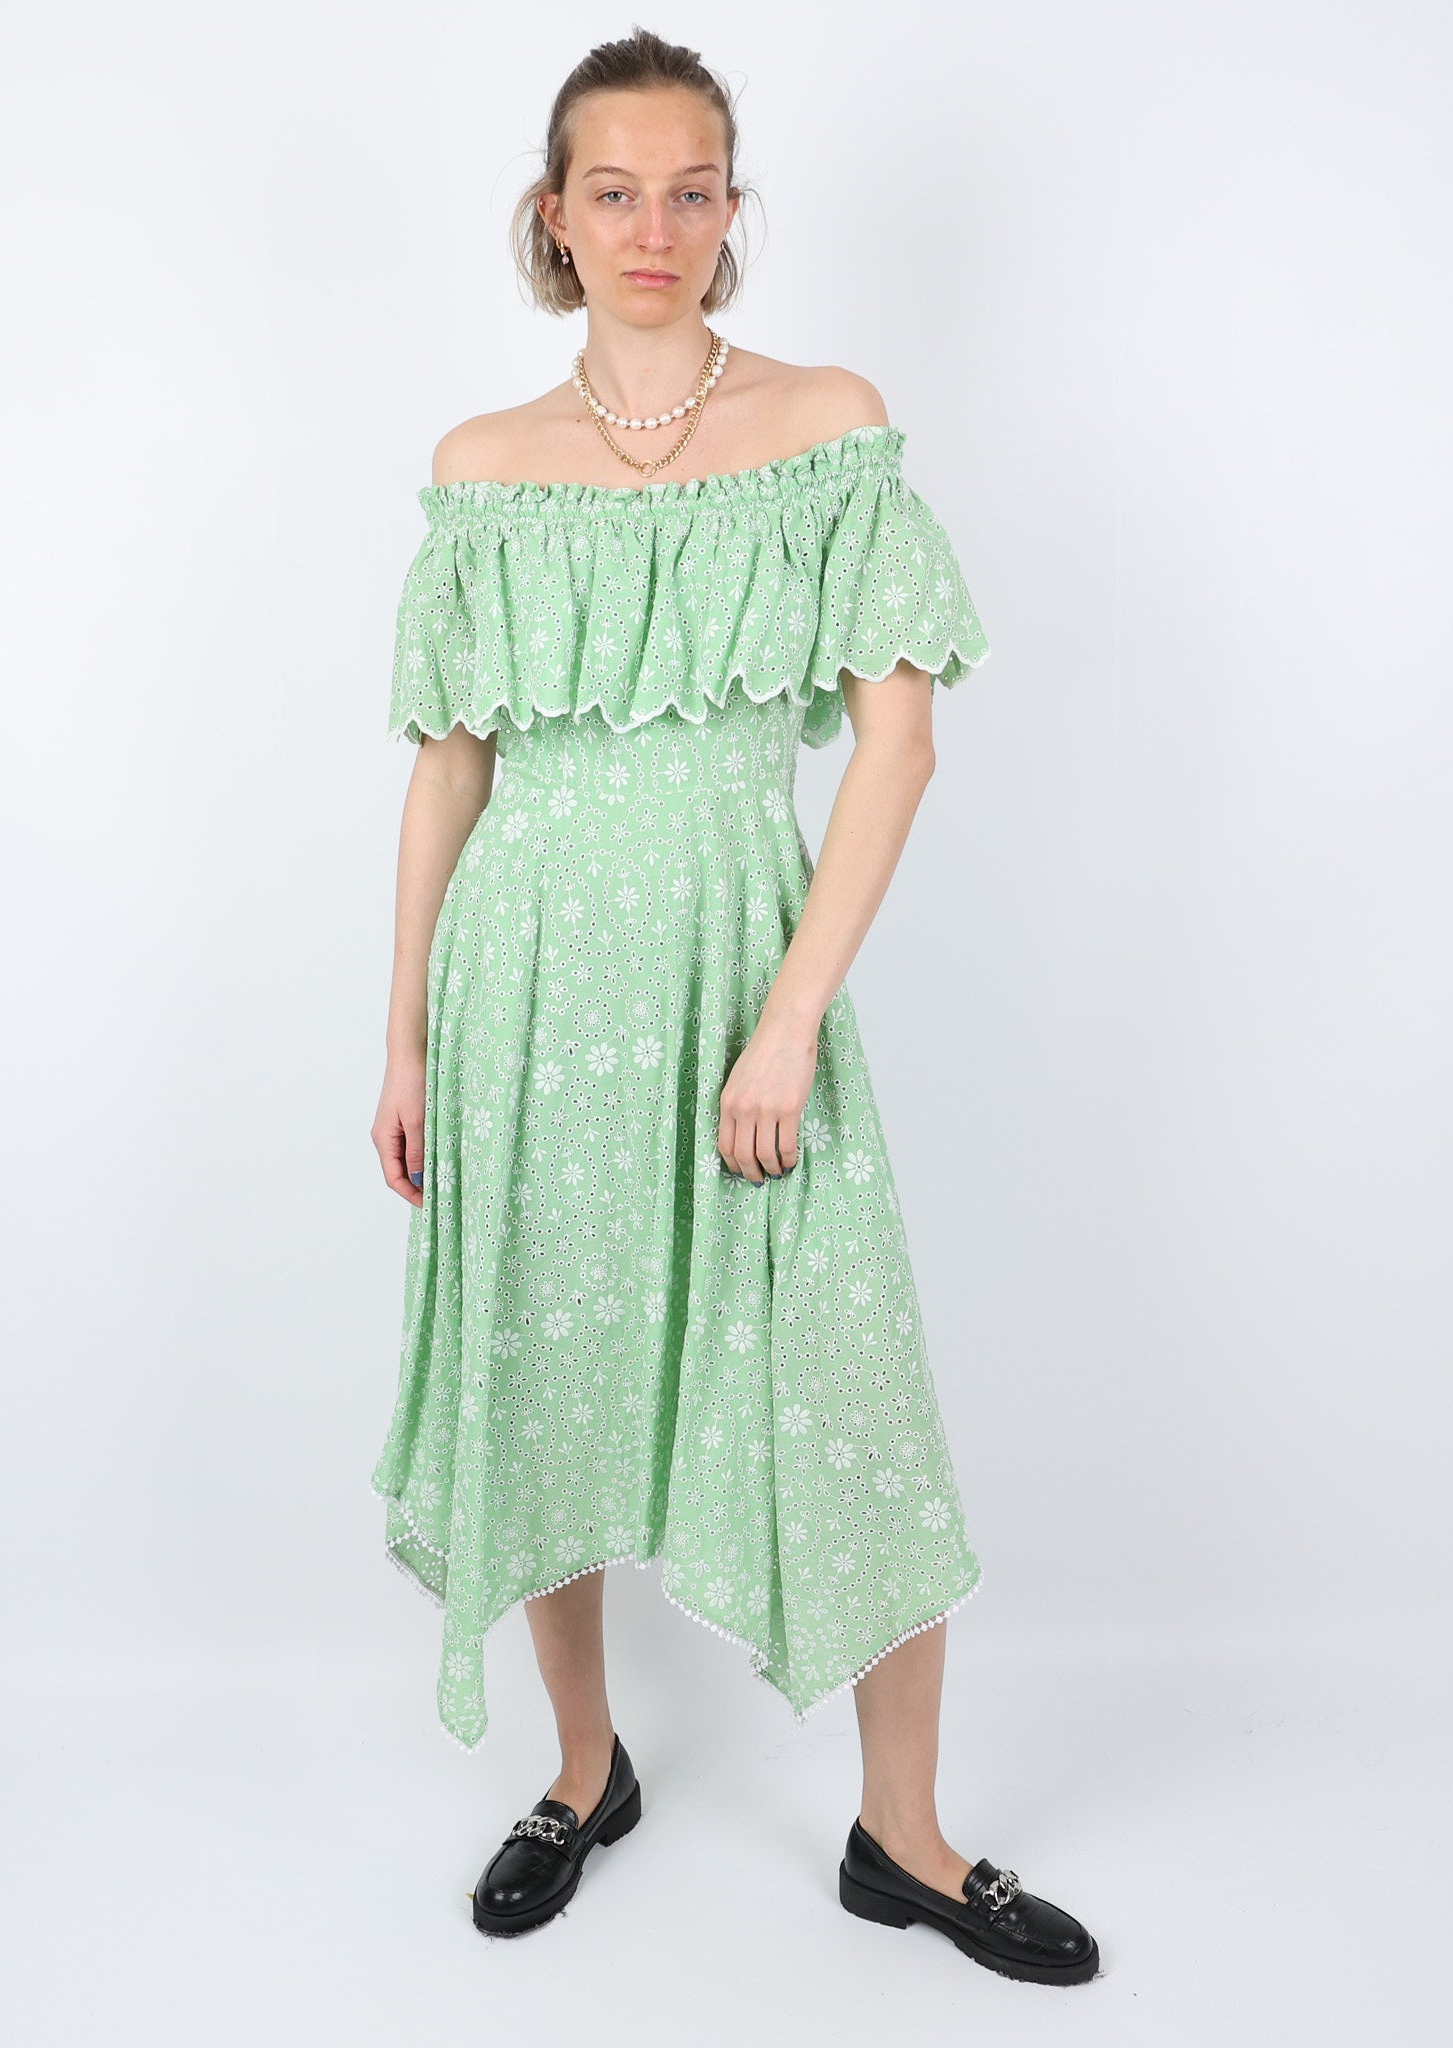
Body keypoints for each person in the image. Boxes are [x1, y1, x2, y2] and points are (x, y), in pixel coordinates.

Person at [367, 28, 1099, 1984]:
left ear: (732, 209)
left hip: (736, 976)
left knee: (848, 1381)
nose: (654, 227)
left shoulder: (825, 427)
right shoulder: (483, 470)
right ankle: (582, 1770)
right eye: (613, 191)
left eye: (691, 190)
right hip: (523, 981)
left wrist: (787, 1023)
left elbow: (896, 747)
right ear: (553, 214)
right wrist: (405, 1032)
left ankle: (905, 1835)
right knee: (543, 1372)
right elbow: (448, 770)